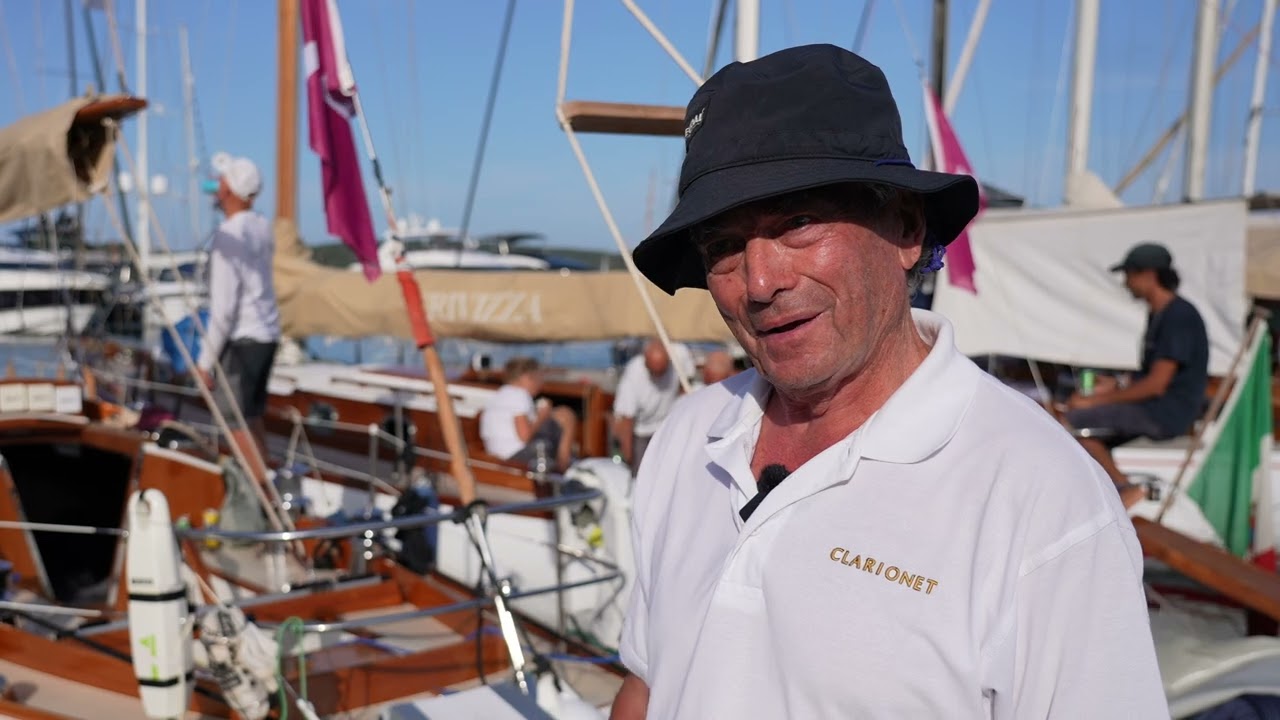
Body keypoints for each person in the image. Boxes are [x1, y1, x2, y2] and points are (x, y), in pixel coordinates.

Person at [610, 44, 1166, 719]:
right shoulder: (687, 439)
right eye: (724, 246)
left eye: (798, 223)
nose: (760, 282)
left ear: (905, 228)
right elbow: (644, 686)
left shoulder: (1041, 499)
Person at [1062, 242, 1209, 507]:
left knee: (1073, 422)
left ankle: (1125, 489)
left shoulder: (1178, 317)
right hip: (1156, 407)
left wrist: (1093, 401)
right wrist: (1114, 384)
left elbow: (1156, 385)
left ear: (1149, 275)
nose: (1125, 283)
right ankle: (1115, 487)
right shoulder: (1161, 314)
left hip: (1165, 413)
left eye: (1129, 275)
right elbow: (1150, 375)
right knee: (1080, 426)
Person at [195, 152, 280, 484]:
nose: (216, 187)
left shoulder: (229, 236)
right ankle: (267, 479)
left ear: (228, 189)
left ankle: (260, 497)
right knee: (253, 416)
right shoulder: (261, 227)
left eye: (221, 181)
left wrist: (204, 363)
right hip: (267, 337)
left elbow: (224, 309)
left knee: (234, 420)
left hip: (244, 340)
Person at [479, 357, 577, 471]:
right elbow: (525, 436)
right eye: (538, 378)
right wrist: (542, 416)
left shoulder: (498, 395)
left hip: (496, 455)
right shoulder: (520, 395)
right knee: (566, 415)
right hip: (516, 457)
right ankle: (563, 467)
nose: (541, 383)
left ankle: (562, 464)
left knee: (558, 417)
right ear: (526, 378)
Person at [611, 338, 689, 470]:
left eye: (662, 372)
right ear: (645, 364)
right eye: (654, 372)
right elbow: (626, 420)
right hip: (640, 431)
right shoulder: (633, 375)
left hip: (666, 427)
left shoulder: (680, 356)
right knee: (641, 472)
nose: (658, 377)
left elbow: (685, 387)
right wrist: (628, 458)